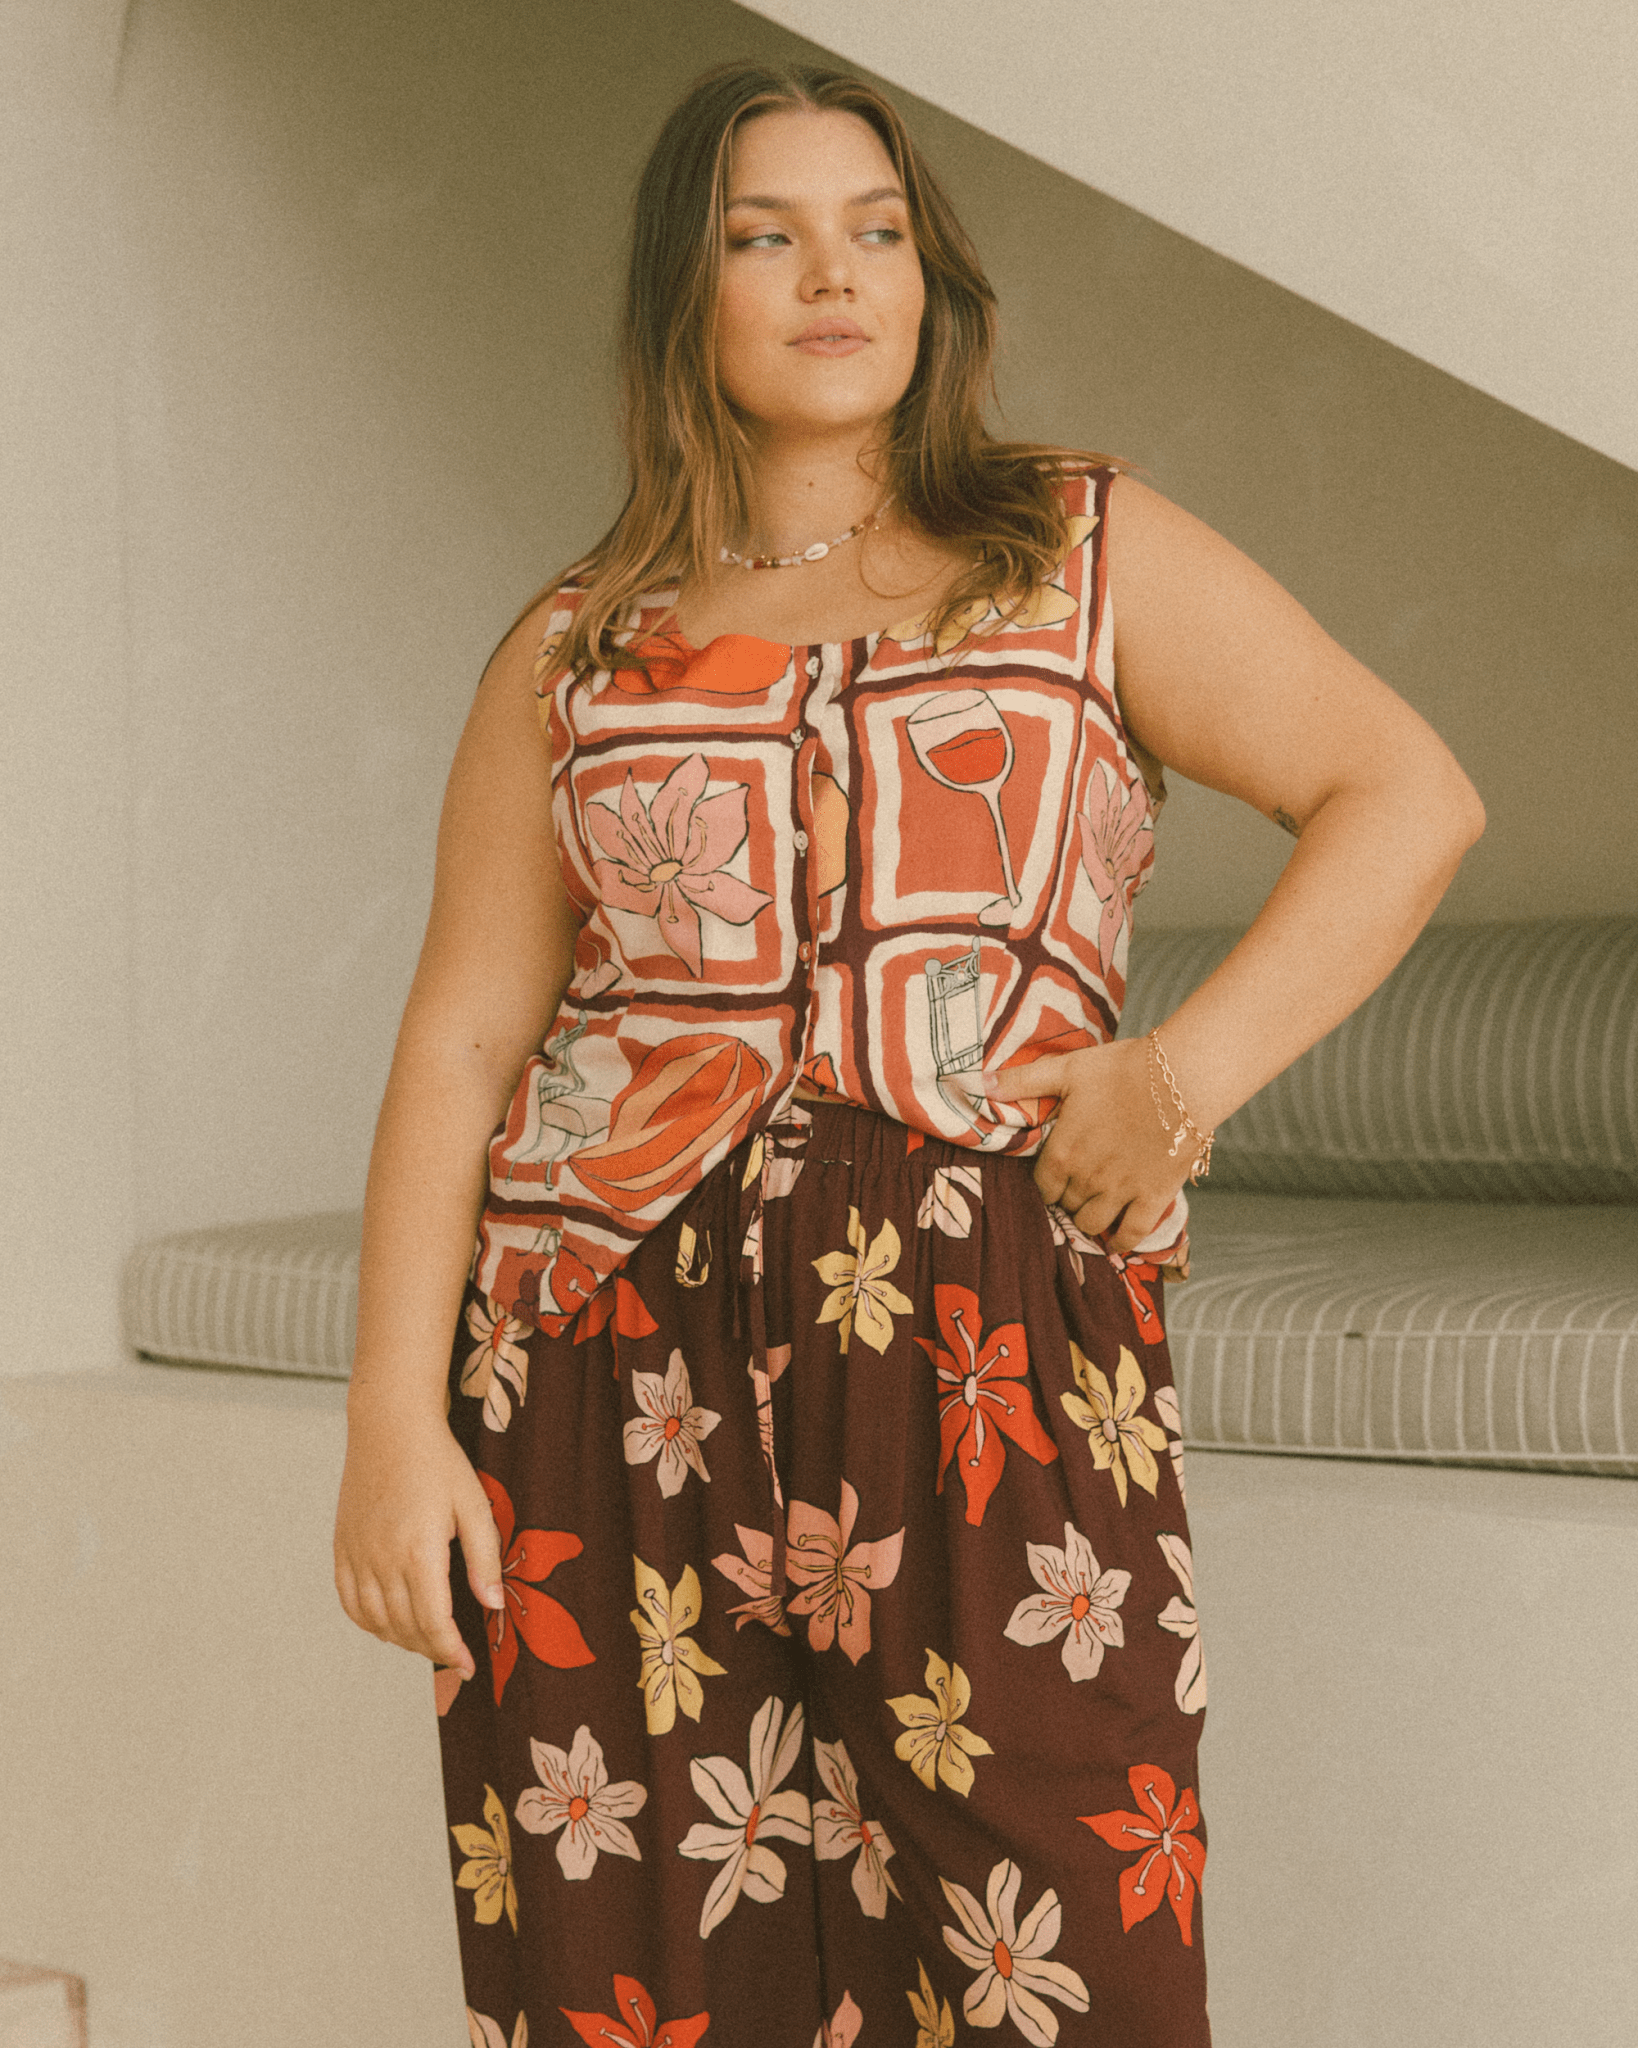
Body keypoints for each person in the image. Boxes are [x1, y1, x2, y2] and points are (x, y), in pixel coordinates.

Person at [333, 59, 1483, 2048]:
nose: (832, 274)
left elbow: (1404, 794)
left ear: (931, 280)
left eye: (875, 231)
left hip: (982, 1342)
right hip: (606, 1355)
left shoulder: (1076, 549)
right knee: (655, 1973)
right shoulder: (575, 646)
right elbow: (462, 1035)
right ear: (682, 290)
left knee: (1070, 1968)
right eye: (763, 235)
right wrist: (386, 1423)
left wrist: (1180, 1075)